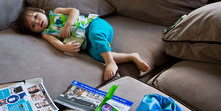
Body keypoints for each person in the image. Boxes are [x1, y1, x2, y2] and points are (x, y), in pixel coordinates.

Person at [14, 7, 150, 81]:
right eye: (33, 25)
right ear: (34, 32)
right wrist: (64, 47)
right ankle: (132, 56)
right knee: (96, 54)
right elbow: (56, 43)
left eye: (36, 17)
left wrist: (69, 24)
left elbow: (74, 11)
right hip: (88, 44)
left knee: (95, 35)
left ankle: (110, 62)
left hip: (95, 25)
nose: (37, 22)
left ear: (41, 11)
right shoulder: (46, 34)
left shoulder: (56, 12)